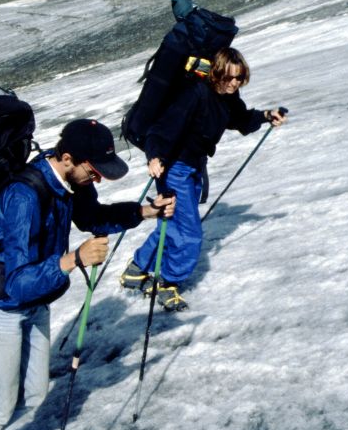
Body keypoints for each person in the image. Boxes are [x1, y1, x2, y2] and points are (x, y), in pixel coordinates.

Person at [0, 117, 175, 430]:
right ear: (67, 157)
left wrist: (144, 212)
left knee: (33, 395)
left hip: (37, 300)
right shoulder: (24, 196)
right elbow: (16, 280)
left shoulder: (70, 182)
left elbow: (92, 218)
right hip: (3, 304)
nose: (96, 180)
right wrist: (72, 261)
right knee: (1, 404)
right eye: (93, 171)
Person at [120, 46, 287, 311]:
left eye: (239, 78)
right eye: (230, 77)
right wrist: (154, 156)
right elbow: (162, 130)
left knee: (174, 224)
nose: (234, 83)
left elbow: (241, 119)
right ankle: (168, 283)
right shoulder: (194, 93)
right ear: (217, 73)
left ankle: (137, 268)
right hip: (172, 168)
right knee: (189, 233)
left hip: (193, 166)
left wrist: (266, 116)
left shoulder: (227, 95)